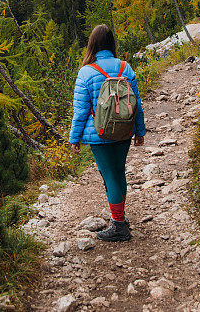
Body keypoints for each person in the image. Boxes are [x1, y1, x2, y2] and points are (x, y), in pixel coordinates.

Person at [69, 24, 145, 242]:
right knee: (119, 172)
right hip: (124, 129)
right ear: (112, 43)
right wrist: (139, 131)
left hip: (99, 133)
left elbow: (81, 110)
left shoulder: (86, 71)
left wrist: (75, 138)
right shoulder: (125, 68)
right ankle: (120, 218)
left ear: (92, 44)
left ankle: (119, 225)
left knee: (109, 175)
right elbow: (136, 103)